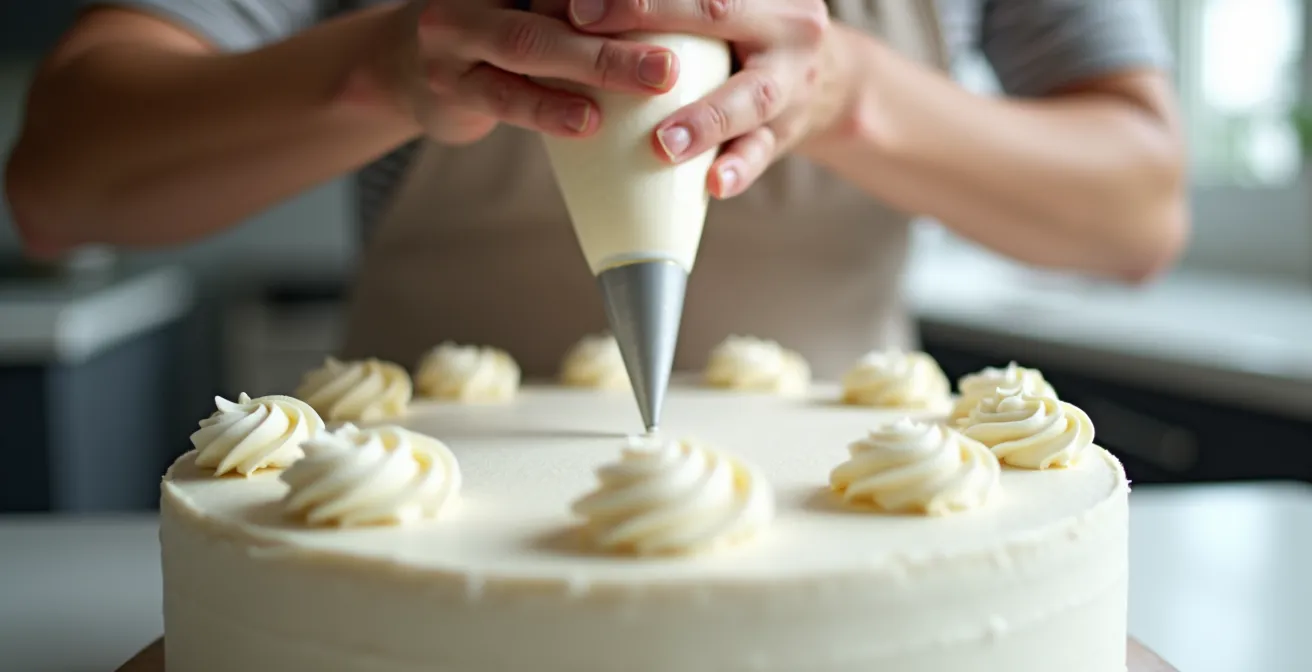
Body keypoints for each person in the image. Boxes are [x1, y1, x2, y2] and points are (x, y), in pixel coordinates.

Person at [4, 0, 1187, 378]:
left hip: (868, 534)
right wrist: (376, 71)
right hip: (400, 558)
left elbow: (1139, 213)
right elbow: (60, 183)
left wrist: (851, 94)